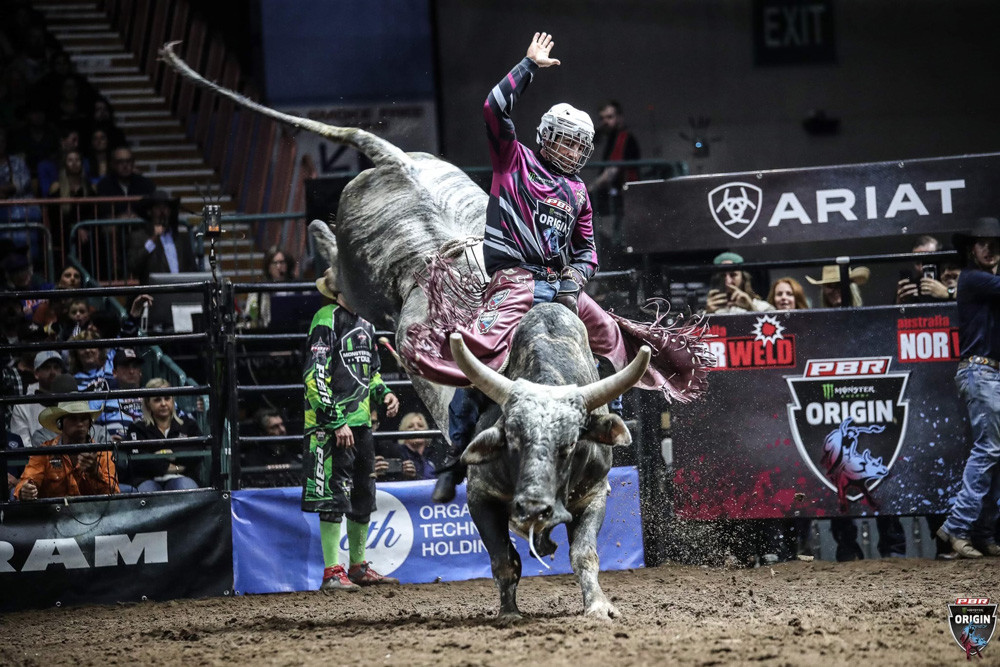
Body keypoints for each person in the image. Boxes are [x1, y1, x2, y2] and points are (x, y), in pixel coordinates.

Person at [303, 271, 400, 590]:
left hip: (359, 424)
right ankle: (333, 571)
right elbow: (315, 377)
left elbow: (370, 373)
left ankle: (357, 566)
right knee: (333, 496)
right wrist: (335, 420)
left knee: (363, 494)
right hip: (328, 426)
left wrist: (383, 392)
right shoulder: (326, 318)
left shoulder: (367, 325)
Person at [937, 217, 1000, 558]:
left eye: (994, 243)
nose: (989, 248)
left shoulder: (985, 281)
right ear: (971, 249)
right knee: (989, 449)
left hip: (990, 374)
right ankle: (957, 528)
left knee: (994, 453)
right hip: (981, 372)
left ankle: (983, 533)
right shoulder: (974, 279)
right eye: (983, 243)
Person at [13, 397, 118, 500]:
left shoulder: (103, 454)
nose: (80, 424)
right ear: (60, 423)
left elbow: (114, 496)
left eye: (83, 418)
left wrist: (95, 473)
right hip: (53, 515)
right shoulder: (45, 452)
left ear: (90, 423)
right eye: (73, 418)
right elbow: (28, 480)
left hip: (93, 514)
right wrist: (25, 491)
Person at [123, 378, 201, 491]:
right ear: (148, 403)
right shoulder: (137, 428)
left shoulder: (188, 424)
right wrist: (175, 467)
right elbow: (138, 461)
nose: (163, 403)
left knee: (185, 487)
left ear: (173, 400)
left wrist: (172, 454)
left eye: (167, 398)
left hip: (183, 477)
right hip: (147, 479)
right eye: (157, 400)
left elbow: (198, 451)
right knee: (148, 492)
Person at [587, 100, 640, 257]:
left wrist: (591, 188)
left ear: (620, 118)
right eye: (602, 118)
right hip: (618, 196)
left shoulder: (623, 137)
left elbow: (612, 172)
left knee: (621, 239)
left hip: (624, 195)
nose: (605, 122)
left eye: (610, 117)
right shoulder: (611, 138)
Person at [127, 190, 197, 283]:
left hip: (181, 292)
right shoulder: (140, 237)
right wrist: (153, 240)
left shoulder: (181, 239)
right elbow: (133, 266)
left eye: (165, 208)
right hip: (155, 292)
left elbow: (192, 269)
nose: (162, 212)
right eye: (158, 208)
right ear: (150, 212)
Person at [9, 350, 66, 447]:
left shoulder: (72, 399)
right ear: (36, 373)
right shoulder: (22, 406)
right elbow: (23, 444)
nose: (52, 372)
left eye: (56, 367)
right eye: (47, 367)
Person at [240, 408, 301, 488]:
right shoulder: (252, 462)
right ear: (262, 433)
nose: (282, 430)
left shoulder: (294, 458)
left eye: (282, 425)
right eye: (275, 427)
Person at [94, 145, 155, 218]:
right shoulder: (104, 185)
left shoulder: (146, 184)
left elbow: (151, 209)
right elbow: (102, 212)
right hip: (113, 225)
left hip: (140, 225)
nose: (125, 165)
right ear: (112, 164)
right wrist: (118, 218)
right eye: (120, 162)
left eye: (128, 161)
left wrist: (138, 216)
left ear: (133, 163)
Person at [243, 246, 296, 329]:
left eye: (282, 262)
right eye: (275, 263)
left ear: (287, 265)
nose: (278, 266)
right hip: (268, 332)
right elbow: (249, 315)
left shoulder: (296, 287)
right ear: (268, 268)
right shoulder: (259, 290)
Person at [704, 252, 774, 314]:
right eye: (723, 275)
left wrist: (751, 308)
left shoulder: (762, 307)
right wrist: (708, 313)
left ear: (743, 278)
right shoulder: (711, 307)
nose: (728, 282)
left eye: (733, 275)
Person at [377, 412, 436, 482]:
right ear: (403, 432)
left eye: (420, 425)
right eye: (410, 426)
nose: (416, 428)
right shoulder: (396, 454)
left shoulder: (432, 457)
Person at [806, 264, 870, 308]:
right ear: (824, 291)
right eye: (830, 285)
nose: (835, 290)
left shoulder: (863, 318)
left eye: (840, 284)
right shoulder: (821, 322)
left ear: (851, 288)